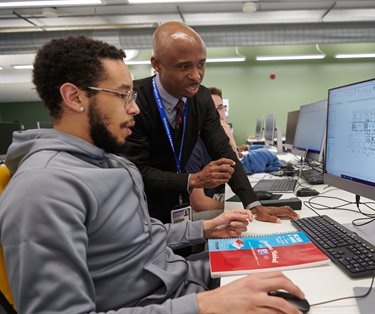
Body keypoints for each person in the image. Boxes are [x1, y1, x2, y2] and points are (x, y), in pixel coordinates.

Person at [0, 36, 306, 313]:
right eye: (122, 95)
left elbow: (139, 236)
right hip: (162, 300)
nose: (134, 109)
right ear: (75, 97)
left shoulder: (111, 163)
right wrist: (206, 305)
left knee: (293, 261)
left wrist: (205, 229)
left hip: (179, 281)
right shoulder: (42, 189)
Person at [124, 21, 298, 223]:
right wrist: (192, 180)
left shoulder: (201, 98)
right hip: (143, 208)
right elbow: (136, 170)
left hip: (181, 207)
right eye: (184, 66)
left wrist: (253, 204)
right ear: (157, 64)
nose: (196, 76)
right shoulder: (134, 101)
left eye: (201, 64)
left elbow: (224, 152)